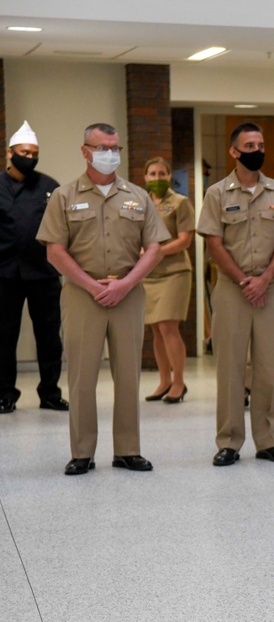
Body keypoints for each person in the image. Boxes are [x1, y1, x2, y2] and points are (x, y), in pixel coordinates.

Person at [36, 123, 168, 475]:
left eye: (116, 148)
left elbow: (154, 249)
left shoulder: (138, 197)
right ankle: (82, 452)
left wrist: (124, 285)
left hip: (128, 294)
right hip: (83, 294)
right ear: (85, 151)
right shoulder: (64, 196)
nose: (110, 154)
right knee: (82, 375)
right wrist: (94, 287)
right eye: (103, 147)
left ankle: (128, 449)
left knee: (128, 374)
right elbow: (55, 252)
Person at [197, 122, 274, 467]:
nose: (257, 150)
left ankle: (268, 440)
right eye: (249, 145)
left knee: (268, 367)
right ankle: (229, 441)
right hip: (231, 291)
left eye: (260, 144)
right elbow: (214, 242)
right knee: (231, 368)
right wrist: (245, 281)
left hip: (269, 290)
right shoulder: (216, 193)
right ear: (234, 152)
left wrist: (267, 277)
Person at [0, 121, 68, 414]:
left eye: (34, 153)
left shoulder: (49, 187)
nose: (29, 157)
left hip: (43, 273)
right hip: (4, 274)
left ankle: (50, 393)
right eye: (24, 152)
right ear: (9, 153)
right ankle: (4, 394)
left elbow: (62, 228)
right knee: (3, 337)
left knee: (50, 336)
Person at [142, 157, 194, 404]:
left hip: (175, 272)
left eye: (162, 173)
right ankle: (164, 380)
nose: (157, 178)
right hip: (149, 275)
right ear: (145, 178)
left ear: (170, 176)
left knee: (167, 327)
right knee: (155, 330)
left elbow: (185, 240)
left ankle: (179, 382)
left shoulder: (181, 203)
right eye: (152, 174)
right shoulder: (140, 204)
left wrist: (157, 252)